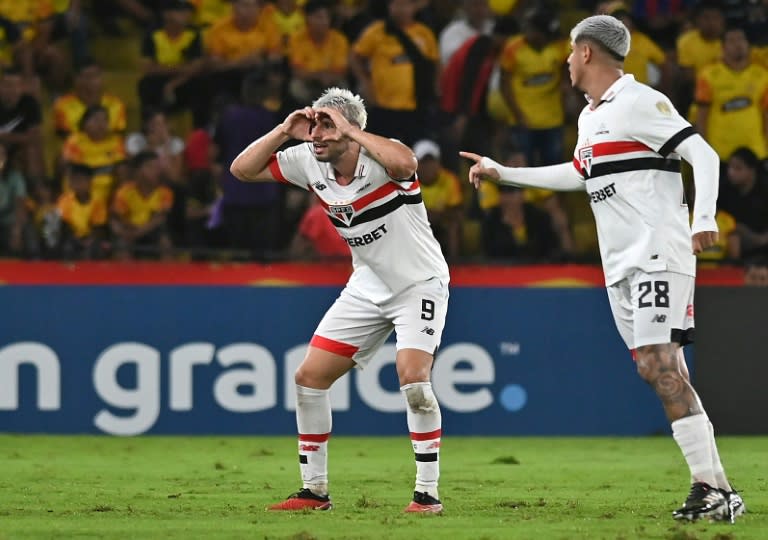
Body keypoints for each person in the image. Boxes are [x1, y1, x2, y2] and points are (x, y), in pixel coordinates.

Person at [461, 15, 745, 522]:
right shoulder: (590, 117)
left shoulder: (641, 102)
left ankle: (709, 487)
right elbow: (578, 173)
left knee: (660, 364)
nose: (567, 62)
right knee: (656, 368)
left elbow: (703, 154)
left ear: (587, 52)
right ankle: (721, 491)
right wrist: (503, 172)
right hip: (620, 266)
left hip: (658, 253)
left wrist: (704, 218)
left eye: (571, 52)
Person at [230, 87, 449, 513]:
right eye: (314, 126)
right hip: (367, 286)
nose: (317, 135)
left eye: (326, 125)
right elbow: (242, 170)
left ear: (351, 128)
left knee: (414, 380)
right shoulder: (307, 159)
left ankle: (427, 494)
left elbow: (407, 162)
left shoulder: (385, 158)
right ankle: (314, 491)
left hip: (419, 283)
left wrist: (349, 128)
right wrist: (283, 130)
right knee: (309, 378)